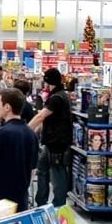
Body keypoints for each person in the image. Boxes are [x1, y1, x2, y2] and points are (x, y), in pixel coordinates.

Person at [0, 88, 39, 212]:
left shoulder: (2, 134)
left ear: (7, 107)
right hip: (21, 199)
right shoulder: (31, 134)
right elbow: (33, 169)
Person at [29, 68, 73, 207]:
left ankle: (59, 205)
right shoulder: (58, 95)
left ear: (48, 81)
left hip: (57, 143)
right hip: (49, 142)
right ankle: (41, 203)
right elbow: (45, 120)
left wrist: (24, 130)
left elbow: (41, 116)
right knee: (41, 170)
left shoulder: (56, 98)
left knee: (57, 174)